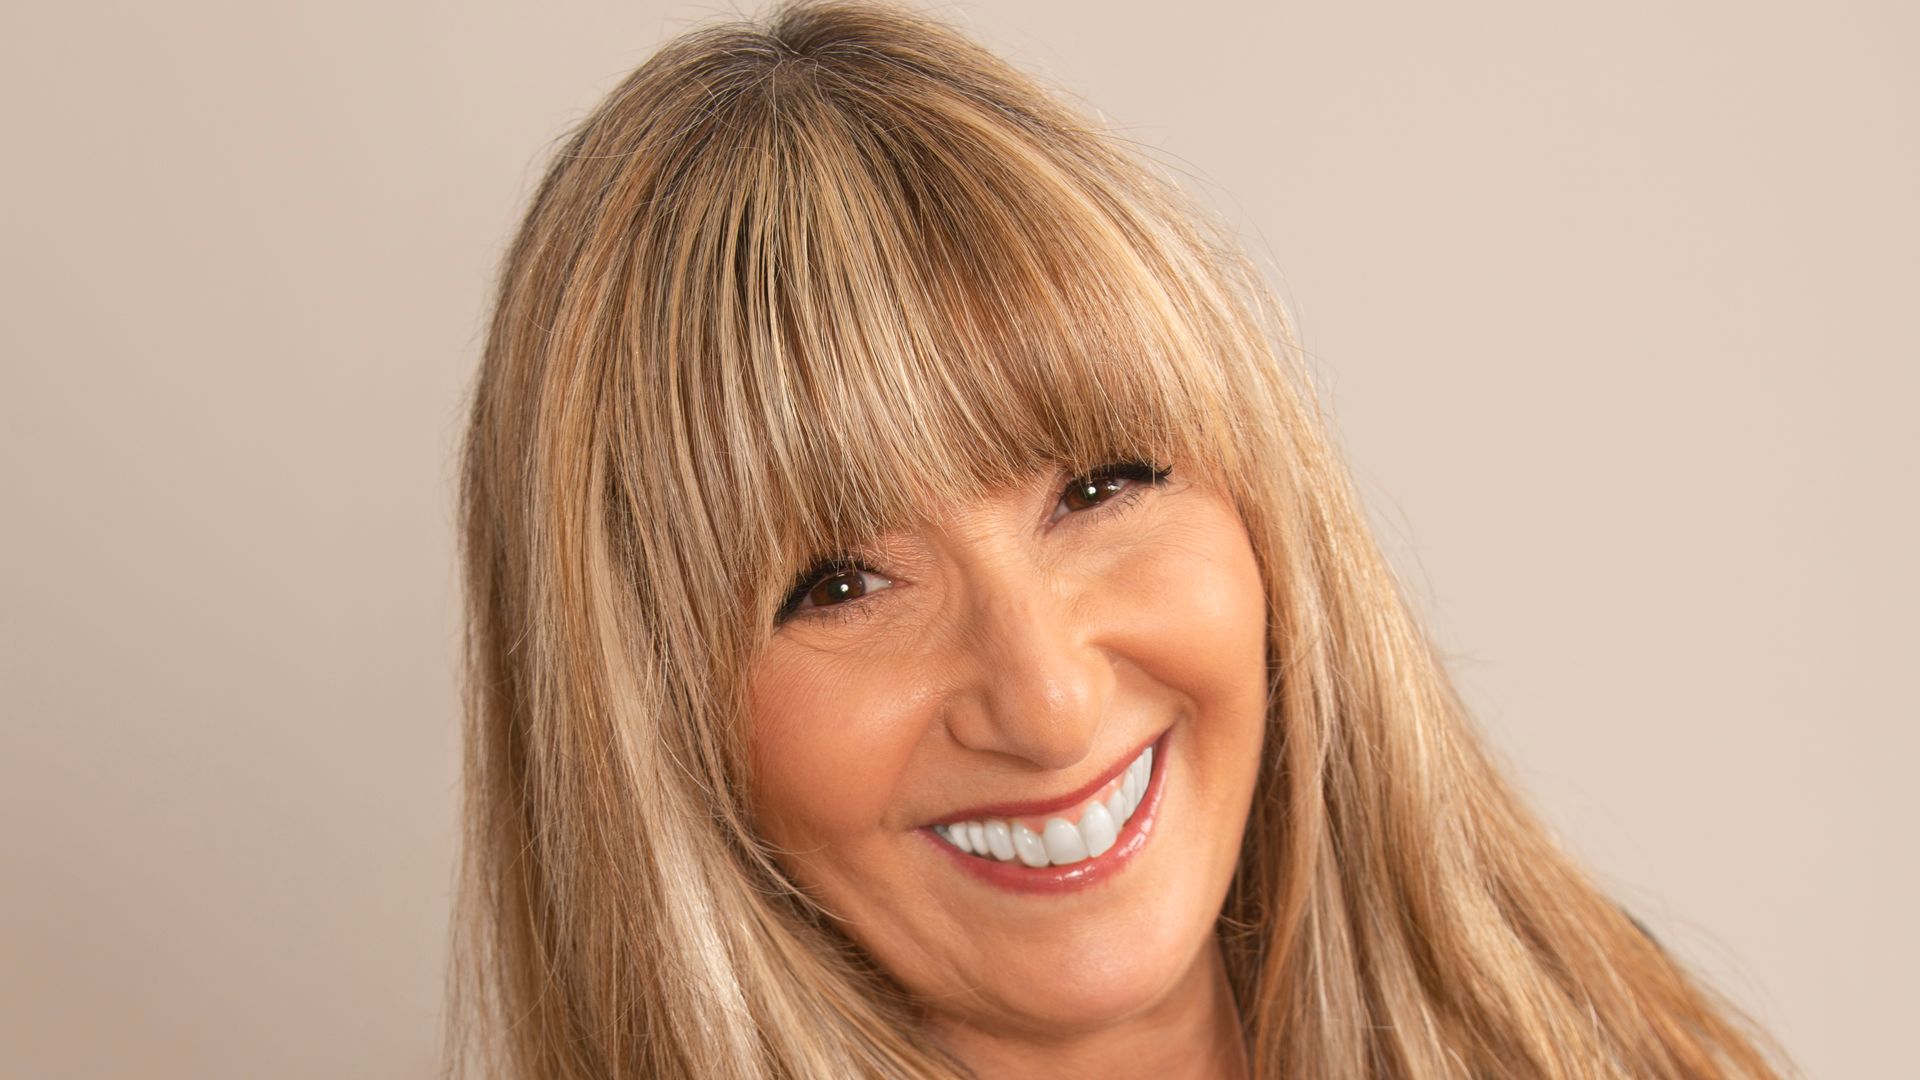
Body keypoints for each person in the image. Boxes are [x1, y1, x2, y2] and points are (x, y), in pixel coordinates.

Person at [448, 2, 1796, 1076]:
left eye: (1097, 488)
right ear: (652, 728)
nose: (1045, 699)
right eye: (840, 582)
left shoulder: (1619, 1046)